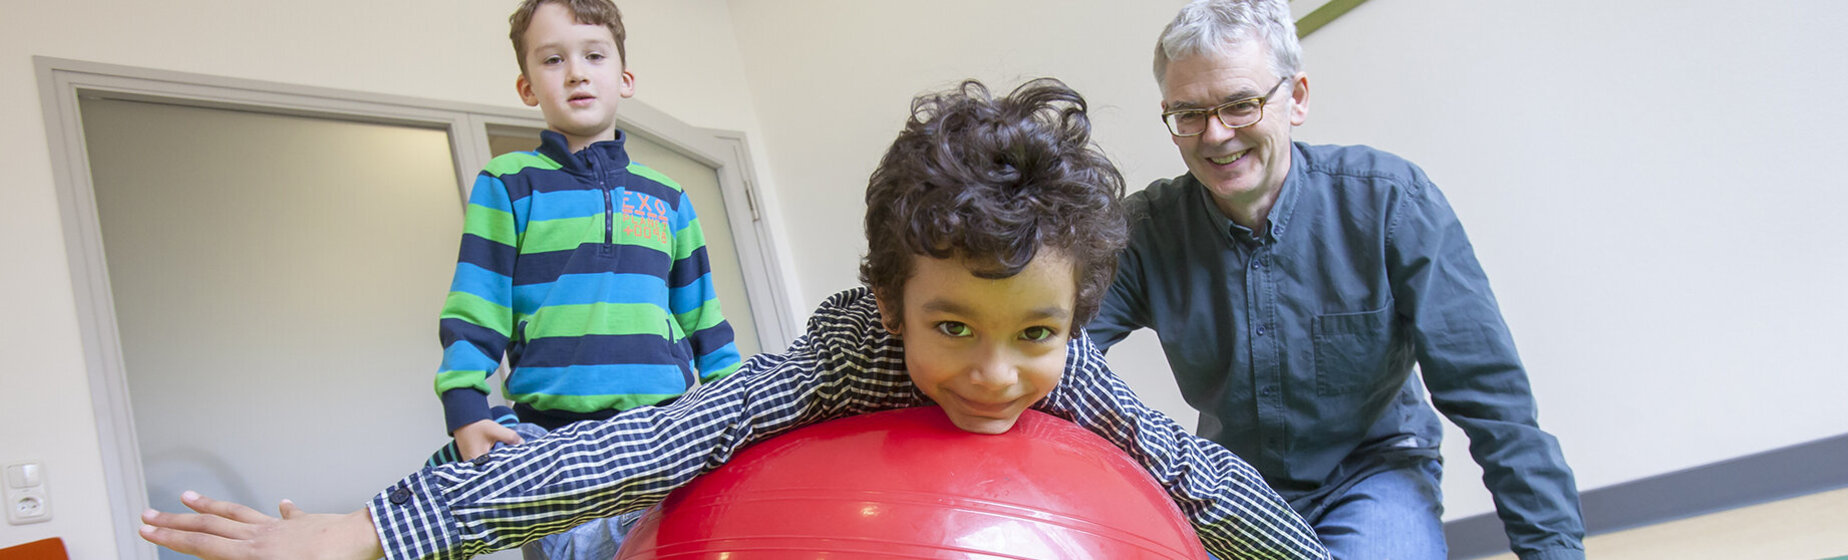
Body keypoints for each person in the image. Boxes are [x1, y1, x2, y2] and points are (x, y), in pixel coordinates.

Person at [138, 78, 1330, 560]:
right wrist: (376, 528)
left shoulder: (1068, 378)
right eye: (953, 326)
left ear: (1073, 317)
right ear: (889, 304)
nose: (995, 372)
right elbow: (648, 441)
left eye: (1036, 330)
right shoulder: (845, 357)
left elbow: (1200, 480)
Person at [1085, 1, 1587, 559]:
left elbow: (1494, 403)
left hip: (1376, 472)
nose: (1216, 135)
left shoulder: (1390, 204)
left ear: (1295, 97)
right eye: (1190, 114)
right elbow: (1057, 350)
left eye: (1240, 105)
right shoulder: (1144, 232)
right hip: (1231, 491)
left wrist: (1553, 552)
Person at [427, 0, 740, 556]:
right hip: (555, 447)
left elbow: (705, 320)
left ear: (624, 79)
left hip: (665, 439)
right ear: (527, 87)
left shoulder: (668, 196)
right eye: (552, 60)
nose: (575, 72)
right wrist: (465, 408)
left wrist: (735, 406)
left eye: (593, 55)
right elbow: (477, 308)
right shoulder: (507, 185)